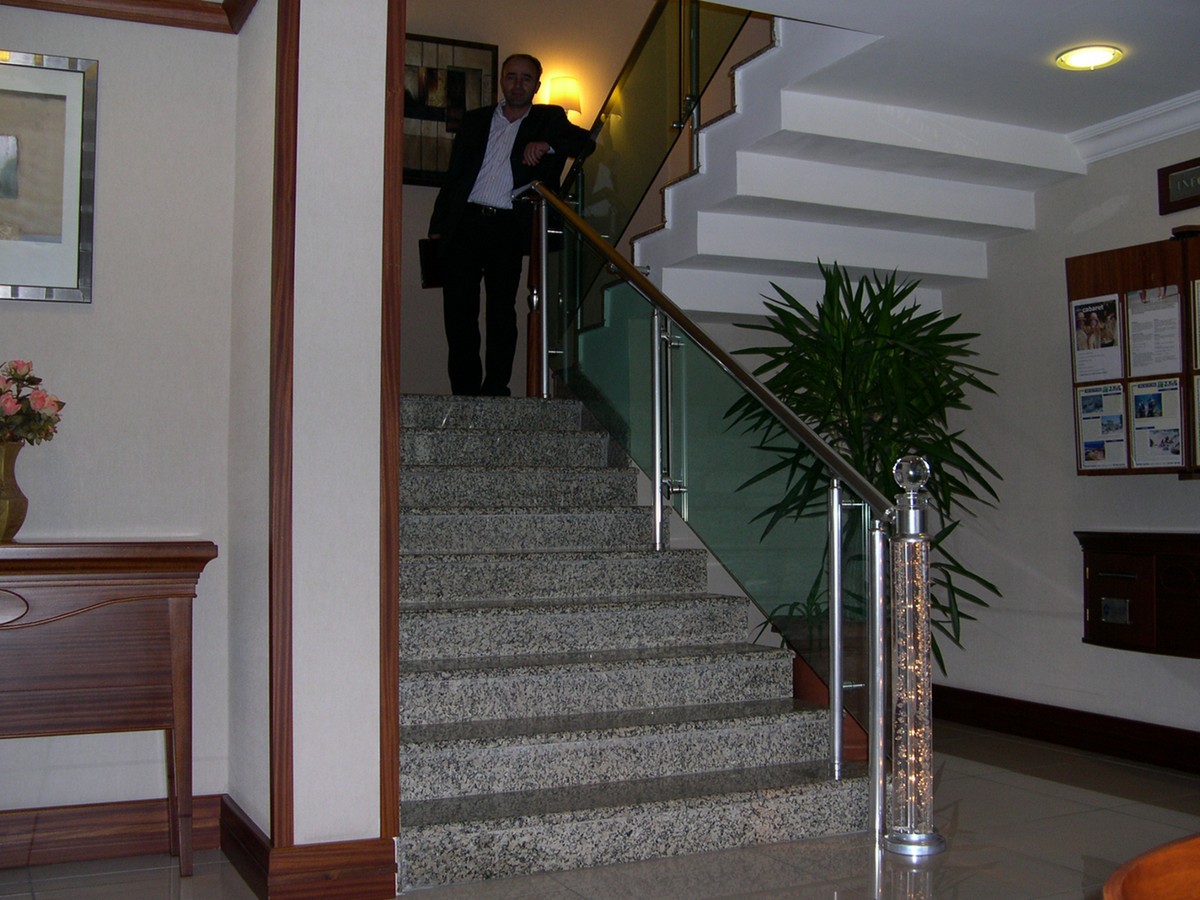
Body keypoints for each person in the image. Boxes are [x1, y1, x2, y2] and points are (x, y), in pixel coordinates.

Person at [429, 53, 592, 396]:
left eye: (525, 78)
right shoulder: (475, 120)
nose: (517, 84)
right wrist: (438, 227)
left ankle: (495, 389)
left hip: (507, 227)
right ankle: (464, 391)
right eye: (511, 76)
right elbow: (454, 177)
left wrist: (547, 145)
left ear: (537, 85)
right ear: (501, 80)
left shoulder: (549, 117)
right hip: (464, 224)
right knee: (458, 313)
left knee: (501, 312)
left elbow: (586, 143)